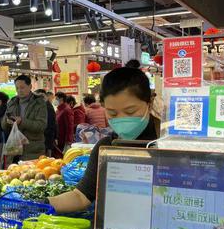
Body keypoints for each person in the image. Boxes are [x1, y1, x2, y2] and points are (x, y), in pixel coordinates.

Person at [50, 67, 160, 212]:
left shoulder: (169, 143)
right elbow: (81, 196)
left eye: (130, 111)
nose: (121, 119)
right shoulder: (106, 147)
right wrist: (39, 204)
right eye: (112, 113)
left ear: (149, 103)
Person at [2, 75, 48, 160]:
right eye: (17, 88)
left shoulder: (39, 103)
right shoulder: (12, 102)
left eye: (22, 87)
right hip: (14, 150)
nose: (19, 90)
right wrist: (7, 121)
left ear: (30, 86)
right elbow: (3, 126)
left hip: (32, 150)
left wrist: (22, 122)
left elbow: (41, 125)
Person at [35, 88, 58, 157]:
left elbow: (52, 124)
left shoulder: (47, 106)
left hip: (46, 137)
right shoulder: (44, 105)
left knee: (46, 158)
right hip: (45, 137)